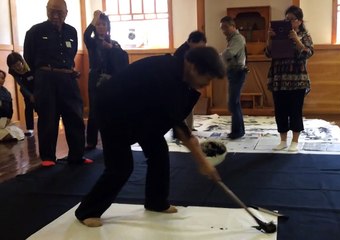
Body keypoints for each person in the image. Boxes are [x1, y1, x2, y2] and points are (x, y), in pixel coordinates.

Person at [74, 46, 224, 227]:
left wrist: (201, 159)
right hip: (112, 110)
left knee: (159, 151)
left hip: (141, 111)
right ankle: (87, 211)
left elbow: (174, 117)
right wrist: (202, 162)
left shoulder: (181, 74)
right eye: (207, 79)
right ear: (193, 67)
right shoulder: (167, 74)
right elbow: (178, 126)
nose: (207, 85)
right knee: (121, 167)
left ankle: (156, 202)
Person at [23, 0, 92, 166]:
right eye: (52, 11)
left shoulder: (71, 31)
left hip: (68, 79)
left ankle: (77, 155)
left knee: (75, 116)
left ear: (66, 12)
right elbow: (28, 58)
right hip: (45, 79)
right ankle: (48, 157)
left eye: (59, 12)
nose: (55, 15)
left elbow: (72, 53)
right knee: (48, 118)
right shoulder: (35, 31)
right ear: (46, 11)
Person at [265, 5, 314, 152]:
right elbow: (268, 53)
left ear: (299, 21)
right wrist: (270, 38)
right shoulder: (279, 35)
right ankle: (282, 140)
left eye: (292, 19)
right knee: (280, 110)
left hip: (297, 79)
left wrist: (296, 40)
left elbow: (308, 53)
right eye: (287, 19)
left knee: (295, 110)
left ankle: (295, 141)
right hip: (279, 78)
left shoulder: (305, 35)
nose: (289, 22)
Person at [84, 10, 128, 151]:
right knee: (94, 110)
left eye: (103, 24)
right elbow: (85, 35)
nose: (101, 27)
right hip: (95, 78)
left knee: (111, 109)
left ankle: (111, 139)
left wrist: (112, 49)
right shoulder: (91, 42)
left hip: (110, 79)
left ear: (108, 27)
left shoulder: (114, 43)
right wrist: (94, 18)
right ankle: (91, 141)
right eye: (98, 24)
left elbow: (123, 58)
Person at [220, 16, 247, 140]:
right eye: (222, 28)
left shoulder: (238, 38)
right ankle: (239, 130)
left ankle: (237, 132)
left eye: (225, 27)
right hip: (233, 72)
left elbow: (230, 53)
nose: (224, 30)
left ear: (233, 26)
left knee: (233, 103)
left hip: (237, 71)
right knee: (234, 103)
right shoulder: (232, 39)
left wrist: (219, 55)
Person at [174, 30, 207, 131]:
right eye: (199, 46)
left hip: (189, 81)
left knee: (189, 105)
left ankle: (190, 126)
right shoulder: (181, 52)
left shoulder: (192, 50)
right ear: (191, 41)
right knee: (182, 105)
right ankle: (180, 129)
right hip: (180, 82)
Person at [6, 52, 35, 137]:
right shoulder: (12, 71)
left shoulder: (31, 64)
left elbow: (39, 80)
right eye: (14, 67)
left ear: (22, 61)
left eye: (18, 65)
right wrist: (30, 95)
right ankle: (30, 129)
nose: (17, 68)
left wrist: (37, 94)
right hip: (25, 87)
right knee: (28, 107)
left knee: (40, 107)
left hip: (37, 86)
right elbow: (21, 85)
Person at [0, 69, 25, 141]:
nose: (1, 80)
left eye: (2, 78)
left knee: (19, 134)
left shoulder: (6, 92)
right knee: (8, 135)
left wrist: (8, 119)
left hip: (5, 121)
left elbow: (10, 108)